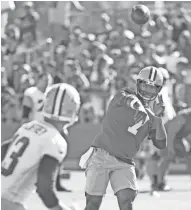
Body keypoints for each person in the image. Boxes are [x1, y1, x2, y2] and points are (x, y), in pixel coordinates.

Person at [80, 66, 167, 210]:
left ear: (158, 90)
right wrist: (141, 108)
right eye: (144, 84)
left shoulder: (151, 115)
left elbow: (161, 143)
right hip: (102, 155)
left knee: (126, 201)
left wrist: (157, 117)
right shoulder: (124, 94)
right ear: (138, 83)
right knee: (93, 203)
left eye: (153, 87)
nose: (147, 89)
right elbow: (130, 100)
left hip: (125, 161)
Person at [1, 83, 81, 210]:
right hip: (9, 202)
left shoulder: (28, 127)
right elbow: (44, 188)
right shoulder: (55, 140)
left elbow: (5, 149)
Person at [157, 107, 191, 191]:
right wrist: (170, 148)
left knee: (189, 158)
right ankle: (159, 183)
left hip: (178, 138)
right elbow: (171, 133)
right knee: (168, 157)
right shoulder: (183, 116)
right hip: (165, 135)